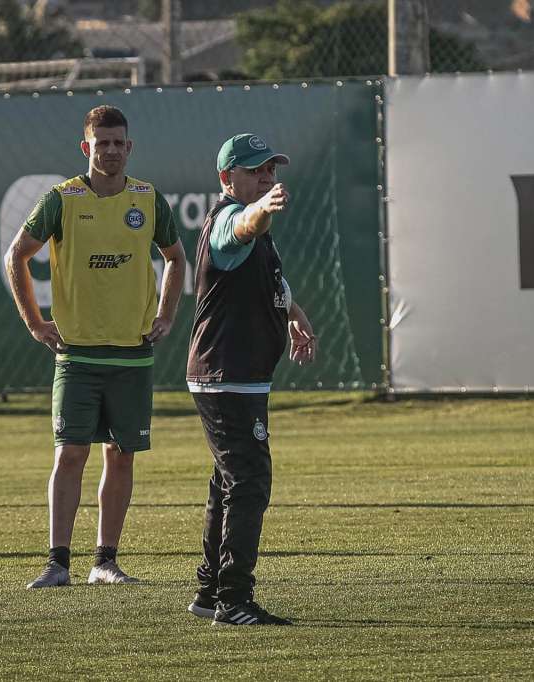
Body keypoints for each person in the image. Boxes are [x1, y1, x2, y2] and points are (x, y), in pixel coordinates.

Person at [4, 105, 185, 588]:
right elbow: (16, 256)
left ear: (130, 147)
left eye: (118, 142)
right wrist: (35, 322)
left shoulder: (148, 199)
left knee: (121, 455)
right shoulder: (61, 199)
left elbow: (175, 257)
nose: (110, 151)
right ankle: (57, 563)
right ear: (86, 147)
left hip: (132, 353)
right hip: (78, 355)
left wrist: (166, 315)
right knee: (70, 454)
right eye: (101, 143)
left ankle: (105, 562)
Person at [185, 133, 317, 625]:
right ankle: (233, 599)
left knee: (228, 483)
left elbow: (271, 281)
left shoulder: (253, 226)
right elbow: (241, 228)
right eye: (255, 170)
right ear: (227, 178)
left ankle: (210, 591)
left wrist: (293, 313)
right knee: (249, 483)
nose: (267, 177)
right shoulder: (227, 218)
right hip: (227, 376)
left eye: (270, 170)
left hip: (235, 376)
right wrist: (261, 208)